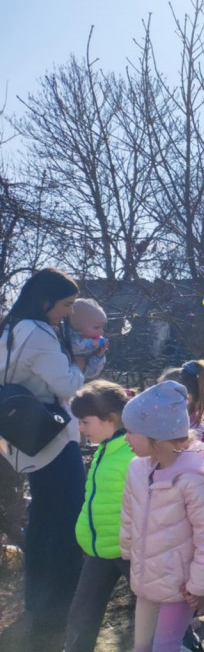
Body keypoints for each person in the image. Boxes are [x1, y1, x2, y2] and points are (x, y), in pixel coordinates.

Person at [119, 381, 204, 652]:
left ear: (157, 436)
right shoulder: (138, 468)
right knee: (145, 648)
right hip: (149, 577)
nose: (126, 439)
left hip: (182, 584)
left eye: (131, 432)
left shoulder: (194, 480)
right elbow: (129, 514)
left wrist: (202, 586)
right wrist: (128, 553)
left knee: (165, 651)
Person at [19, 381, 132, 652]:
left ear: (110, 418)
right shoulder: (104, 451)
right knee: (81, 619)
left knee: (162, 631)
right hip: (99, 553)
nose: (80, 429)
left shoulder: (133, 452)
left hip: (130, 553)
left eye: (85, 422)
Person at [0, 268, 86, 632]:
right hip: (51, 437)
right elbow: (68, 386)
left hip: (22, 438)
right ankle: (62, 602)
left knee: (42, 519)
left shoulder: (10, 329)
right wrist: (81, 364)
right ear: (45, 299)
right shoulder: (38, 334)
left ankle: (39, 601)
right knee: (66, 518)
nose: (68, 312)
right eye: (65, 304)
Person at [160, 360, 204, 446]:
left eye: (164, 394)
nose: (157, 398)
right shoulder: (164, 426)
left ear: (187, 398)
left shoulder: (202, 435)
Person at [68, 298, 109, 379]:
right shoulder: (68, 338)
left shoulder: (93, 347)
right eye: (96, 327)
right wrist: (92, 344)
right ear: (76, 326)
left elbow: (91, 373)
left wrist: (98, 356)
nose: (101, 332)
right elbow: (73, 347)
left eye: (102, 328)